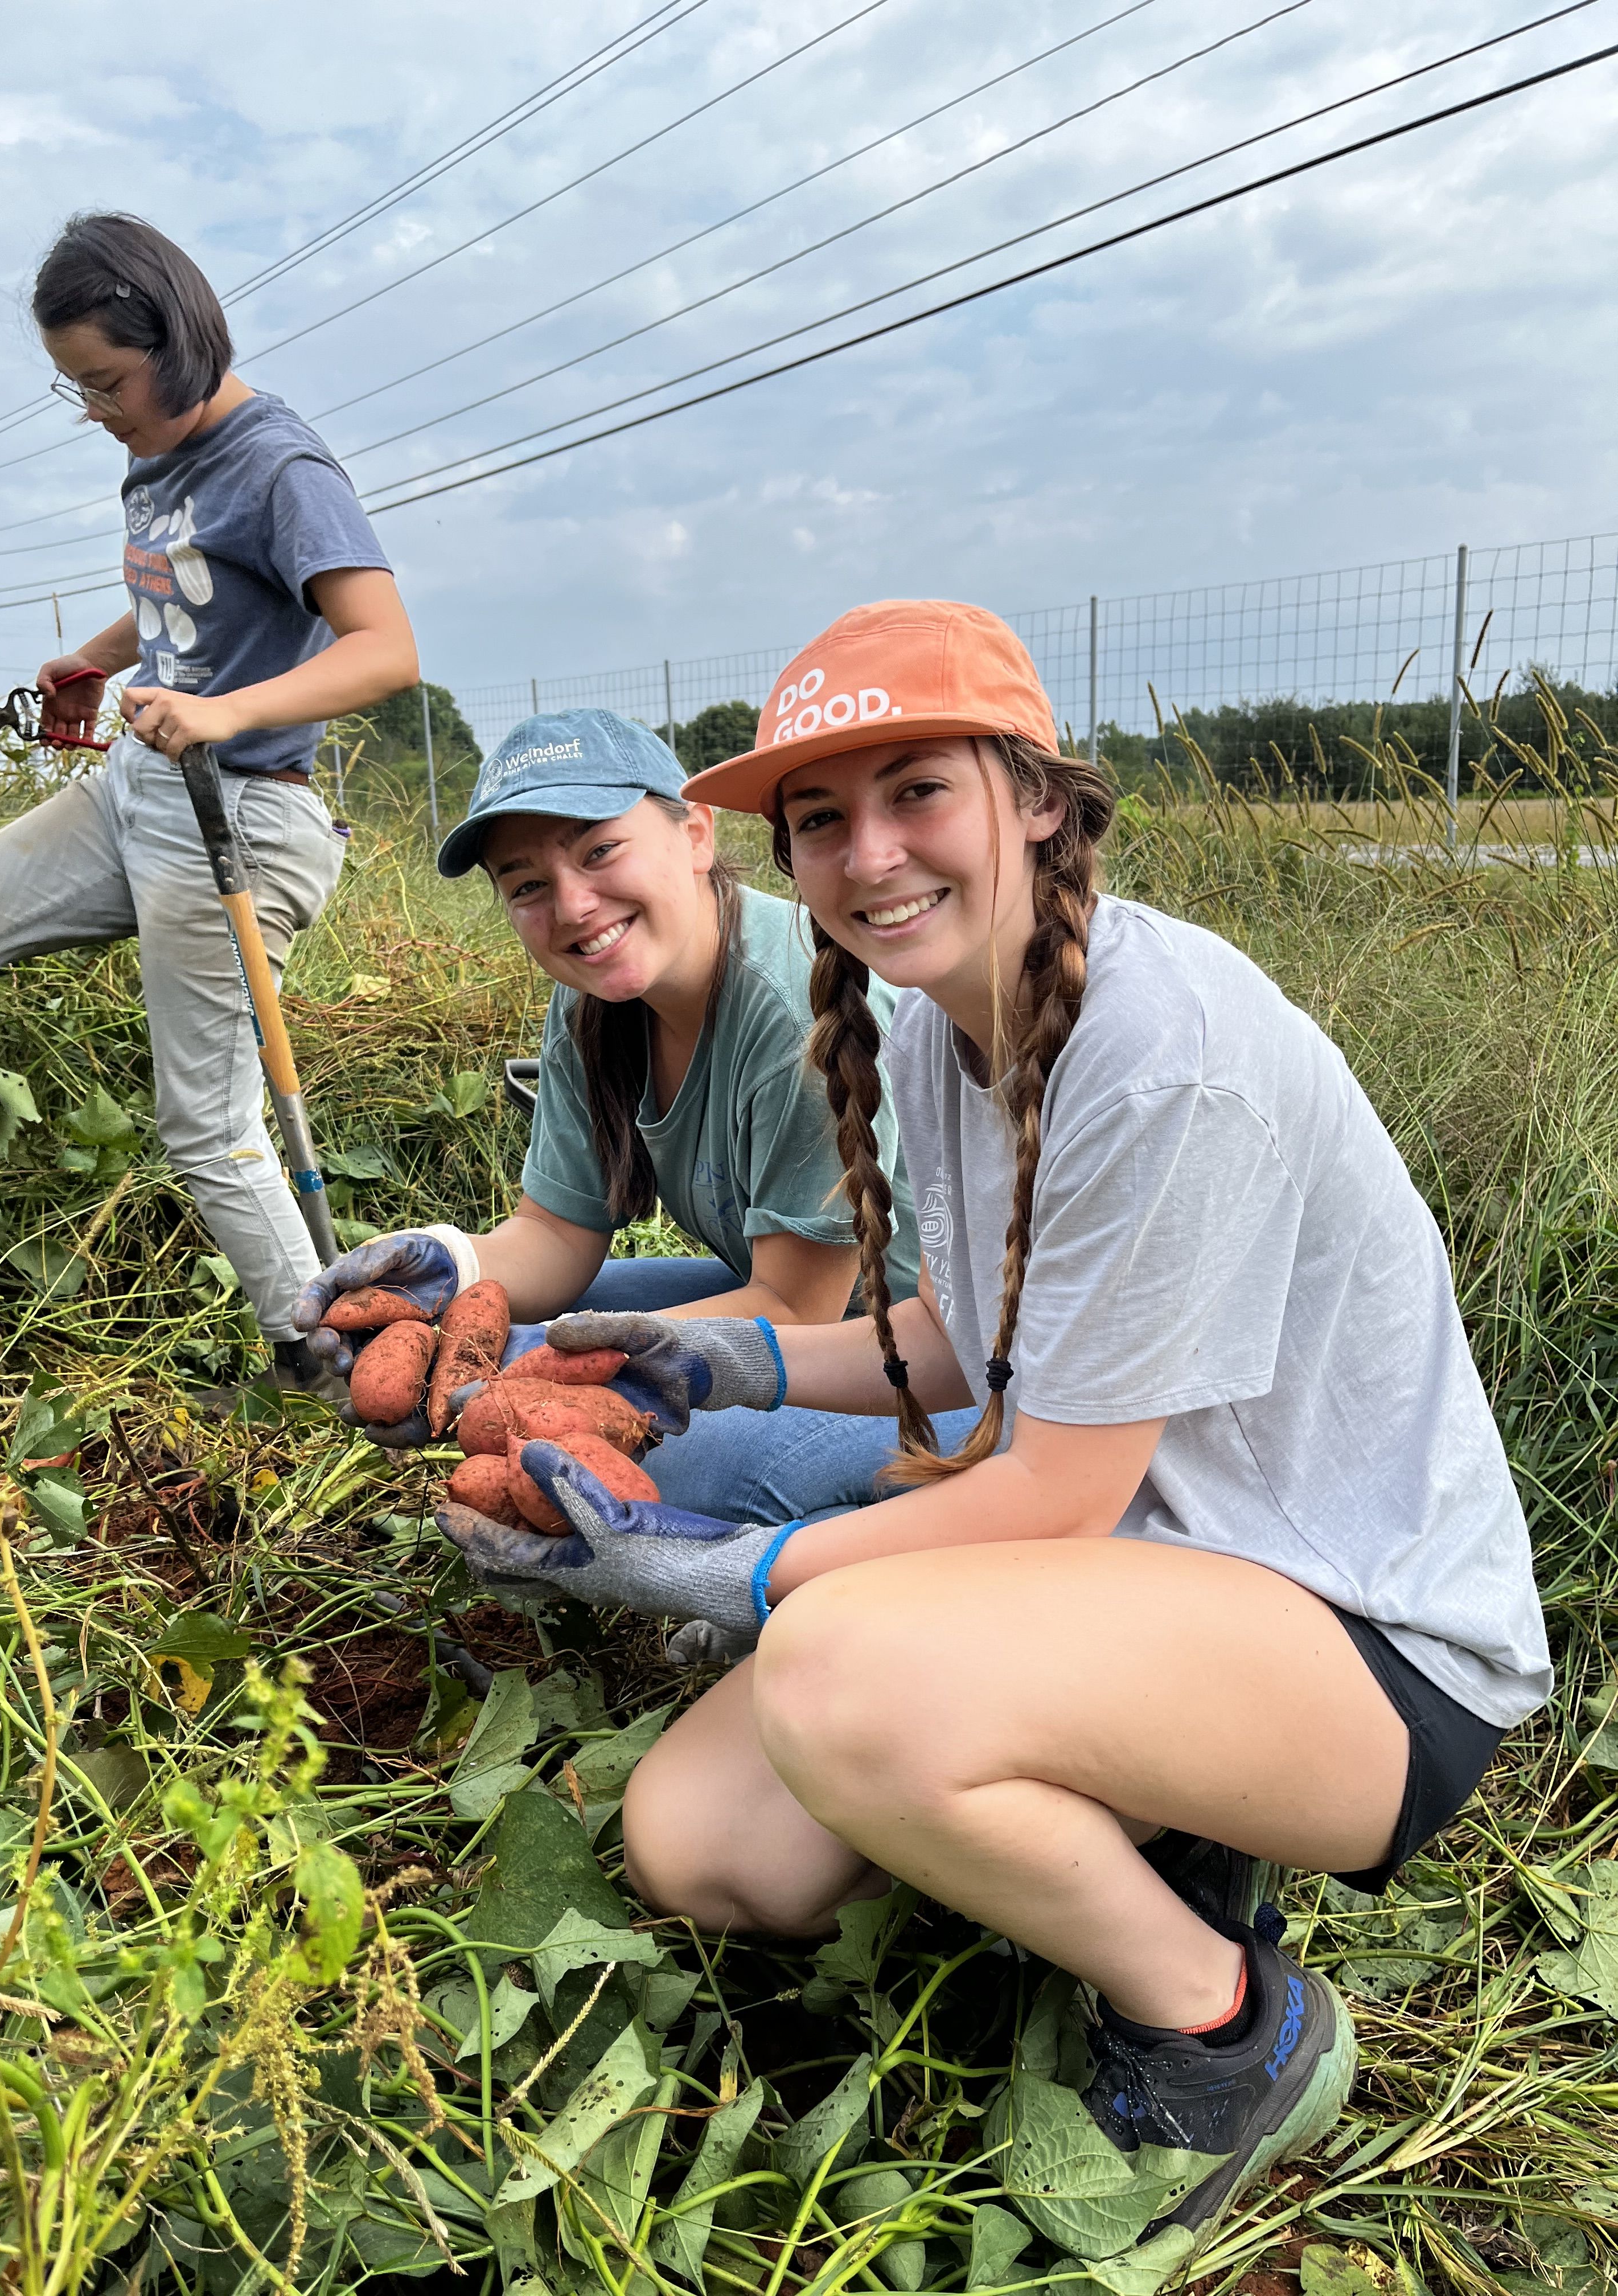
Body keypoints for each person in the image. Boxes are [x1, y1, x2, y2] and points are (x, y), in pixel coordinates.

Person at [437, 601, 1552, 2252]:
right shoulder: (938, 1032)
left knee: (833, 1668)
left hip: (1363, 1646)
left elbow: (1048, 1493)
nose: (870, 852)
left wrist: (719, 1576)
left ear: (1034, 794)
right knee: (703, 1851)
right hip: (1163, 1583)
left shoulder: (1157, 1051)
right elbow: (969, 1344)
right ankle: (1112, 1810)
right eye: (822, 818)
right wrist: (716, 1369)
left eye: (918, 793)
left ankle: (1224, 2021)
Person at [0, 213, 417, 1391]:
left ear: (175, 342)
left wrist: (223, 714)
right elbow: (194, 589)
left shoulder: (280, 467)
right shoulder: (162, 449)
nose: (95, 411)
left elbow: (384, 648)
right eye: (71, 386)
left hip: (240, 816)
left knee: (208, 1125)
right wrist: (97, 656)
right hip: (139, 788)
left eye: (106, 381)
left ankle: (330, 1366)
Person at [294, 707, 975, 1552]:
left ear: (695, 835)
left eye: (599, 851)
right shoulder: (594, 1001)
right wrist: (450, 1268)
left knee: (637, 1463)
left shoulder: (798, 1004)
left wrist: (536, 1367)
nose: (575, 906)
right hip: (805, 1314)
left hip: (924, 1353)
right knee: (493, 1325)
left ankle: (895, 1539)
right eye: (527, 885)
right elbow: (556, 1236)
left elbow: (795, 1307)